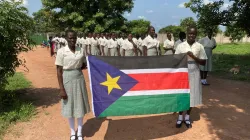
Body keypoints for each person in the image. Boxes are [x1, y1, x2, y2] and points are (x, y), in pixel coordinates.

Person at [55, 30, 90, 140]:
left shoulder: (81, 50)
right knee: (69, 107)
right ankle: (72, 132)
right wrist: (61, 89)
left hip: (79, 78)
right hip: (67, 79)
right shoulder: (61, 51)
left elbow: (84, 63)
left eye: (74, 37)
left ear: (76, 38)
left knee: (79, 106)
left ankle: (79, 132)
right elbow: (59, 71)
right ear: (66, 38)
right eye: (70, 38)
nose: (72, 40)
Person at [175, 26, 207, 128]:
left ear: (196, 34)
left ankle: (187, 117)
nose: (191, 35)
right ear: (187, 33)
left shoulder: (199, 46)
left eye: (194, 34)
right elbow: (175, 60)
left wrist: (193, 56)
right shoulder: (180, 46)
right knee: (182, 95)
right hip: (183, 72)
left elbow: (203, 62)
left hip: (194, 72)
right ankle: (180, 117)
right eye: (190, 33)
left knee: (192, 95)